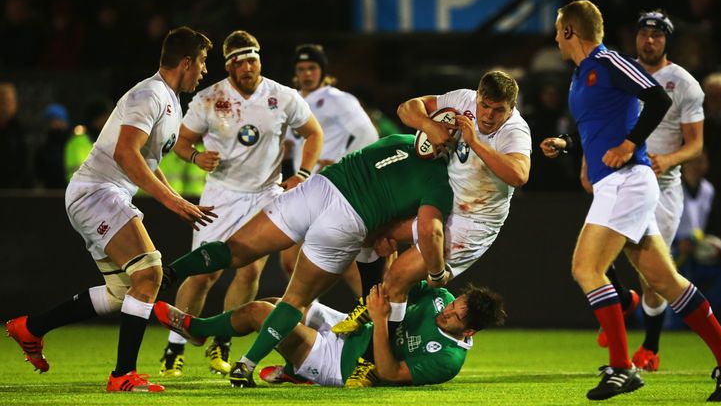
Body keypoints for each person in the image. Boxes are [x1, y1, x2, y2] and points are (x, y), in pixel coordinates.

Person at [539, 0, 721, 401]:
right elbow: (601, 125)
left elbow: (658, 98)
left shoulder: (608, 61)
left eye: (557, 29)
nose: (554, 37)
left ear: (570, 31)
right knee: (663, 280)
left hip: (628, 181)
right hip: (616, 183)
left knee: (587, 268)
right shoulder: (581, 74)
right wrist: (567, 144)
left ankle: (622, 368)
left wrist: (630, 143)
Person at [5, 26, 215, 393]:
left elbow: (148, 161)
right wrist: (171, 200)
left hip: (106, 194)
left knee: (123, 291)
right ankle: (122, 376)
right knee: (150, 273)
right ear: (186, 62)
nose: (204, 71)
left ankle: (31, 327)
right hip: (96, 193)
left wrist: (175, 199)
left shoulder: (170, 100)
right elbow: (124, 154)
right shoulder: (148, 94)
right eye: (202, 62)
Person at [161, 134, 454, 387]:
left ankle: (168, 273)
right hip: (347, 219)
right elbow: (428, 231)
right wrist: (437, 271)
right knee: (293, 302)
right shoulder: (440, 182)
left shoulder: (398, 140)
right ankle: (244, 363)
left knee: (234, 252)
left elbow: (407, 114)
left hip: (319, 189)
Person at [159, 30, 323, 378]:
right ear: (229, 67)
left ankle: (223, 339)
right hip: (221, 196)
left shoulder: (282, 96)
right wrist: (195, 157)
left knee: (250, 271)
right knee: (204, 274)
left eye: (253, 59)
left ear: (260, 59)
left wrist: (304, 173)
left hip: (265, 195)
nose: (248, 67)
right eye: (240, 61)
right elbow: (182, 141)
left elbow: (313, 132)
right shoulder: (208, 99)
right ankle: (175, 345)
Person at [331, 70, 530, 338]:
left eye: (498, 110)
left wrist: (474, 142)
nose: (488, 116)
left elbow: (519, 175)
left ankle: (376, 355)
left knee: (399, 277)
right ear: (478, 96)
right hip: (443, 203)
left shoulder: (515, 130)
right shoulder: (462, 100)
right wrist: (428, 125)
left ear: (511, 108)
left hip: (473, 223)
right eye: (484, 105)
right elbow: (407, 108)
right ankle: (373, 304)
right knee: (368, 233)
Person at [598, 10, 706, 372]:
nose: (649, 40)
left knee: (654, 278)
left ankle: (651, 347)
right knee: (596, 255)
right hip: (621, 177)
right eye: (644, 33)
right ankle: (619, 303)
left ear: (666, 41)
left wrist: (670, 158)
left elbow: (696, 145)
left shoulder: (684, 84)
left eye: (657, 35)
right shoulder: (623, 70)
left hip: (662, 187)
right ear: (635, 38)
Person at [153, 281, 506, 387]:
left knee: (262, 313)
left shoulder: (448, 360)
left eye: (454, 317)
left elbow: (386, 372)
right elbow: (402, 286)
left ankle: (195, 328)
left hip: (341, 364)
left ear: (468, 330)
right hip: (354, 330)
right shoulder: (442, 299)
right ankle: (292, 372)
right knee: (284, 302)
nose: (446, 311)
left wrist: (382, 321)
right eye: (453, 303)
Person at [280, 43, 378, 290]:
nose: (306, 74)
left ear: (322, 70)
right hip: (304, 189)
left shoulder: (337, 99)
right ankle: (303, 319)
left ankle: (376, 315)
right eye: (301, 68)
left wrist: (344, 163)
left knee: (345, 263)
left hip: (335, 190)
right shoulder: (291, 101)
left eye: (312, 67)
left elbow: (369, 135)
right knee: (291, 260)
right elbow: (290, 145)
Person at [674, 153, 721, 324]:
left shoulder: (708, 189)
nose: (696, 166)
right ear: (684, 164)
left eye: (701, 161)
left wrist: (707, 243)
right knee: (672, 309)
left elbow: (704, 223)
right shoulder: (673, 185)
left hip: (699, 249)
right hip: (675, 251)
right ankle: (672, 320)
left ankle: (707, 316)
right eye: (692, 161)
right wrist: (678, 242)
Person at [0, 82, 29, 188]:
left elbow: (24, 164)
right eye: (1, 101)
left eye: (8, 101)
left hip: (15, 191)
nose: (4, 106)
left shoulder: (20, 131)